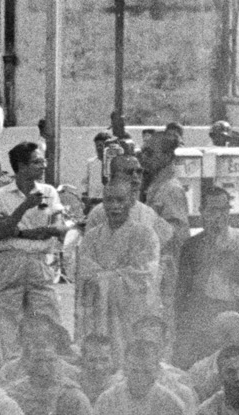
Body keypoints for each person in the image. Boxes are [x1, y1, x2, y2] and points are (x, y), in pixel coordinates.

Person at [0, 142, 67, 341]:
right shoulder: (0, 195)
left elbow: (58, 229)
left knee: (47, 314)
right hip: (11, 261)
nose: (43, 166)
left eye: (43, 161)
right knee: (8, 319)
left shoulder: (49, 192)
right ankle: (10, 362)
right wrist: (24, 207)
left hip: (39, 261)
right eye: (37, 162)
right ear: (21, 166)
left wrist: (21, 233)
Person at [75, 177, 161, 355]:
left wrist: (105, 277)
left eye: (120, 200)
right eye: (109, 200)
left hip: (131, 311)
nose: (115, 206)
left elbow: (144, 273)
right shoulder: (91, 237)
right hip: (99, 314)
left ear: (131, 201)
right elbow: (85, 272)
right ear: (103, 202)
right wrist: (112, 276)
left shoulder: (145, 235)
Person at [175, 185, 239, 366]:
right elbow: (182, 290)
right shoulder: (192, 246)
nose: (219, 215)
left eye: (224, 209)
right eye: (213, 210)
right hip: (203, 316)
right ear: (202, 212)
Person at [139, 133, 191, 315]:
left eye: (150, 153)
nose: (143, 158)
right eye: (143, 153)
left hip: (166, 273)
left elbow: (176, 234)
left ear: (167, 157)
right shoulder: (155, 187)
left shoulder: (170, 190)